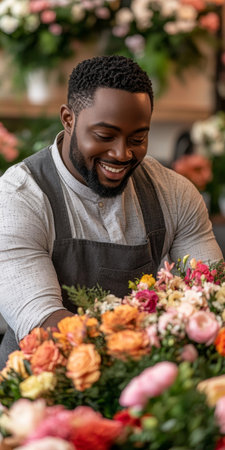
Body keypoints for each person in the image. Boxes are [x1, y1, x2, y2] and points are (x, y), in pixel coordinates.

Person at [0, 55, 223, 369]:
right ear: (68, 119)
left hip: (143, 386)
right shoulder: (19, 197)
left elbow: (212, 298)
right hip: (36, 392)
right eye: (105, 136)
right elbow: (45, 325)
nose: (122, 154)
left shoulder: (174, 193)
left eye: (138, 139)